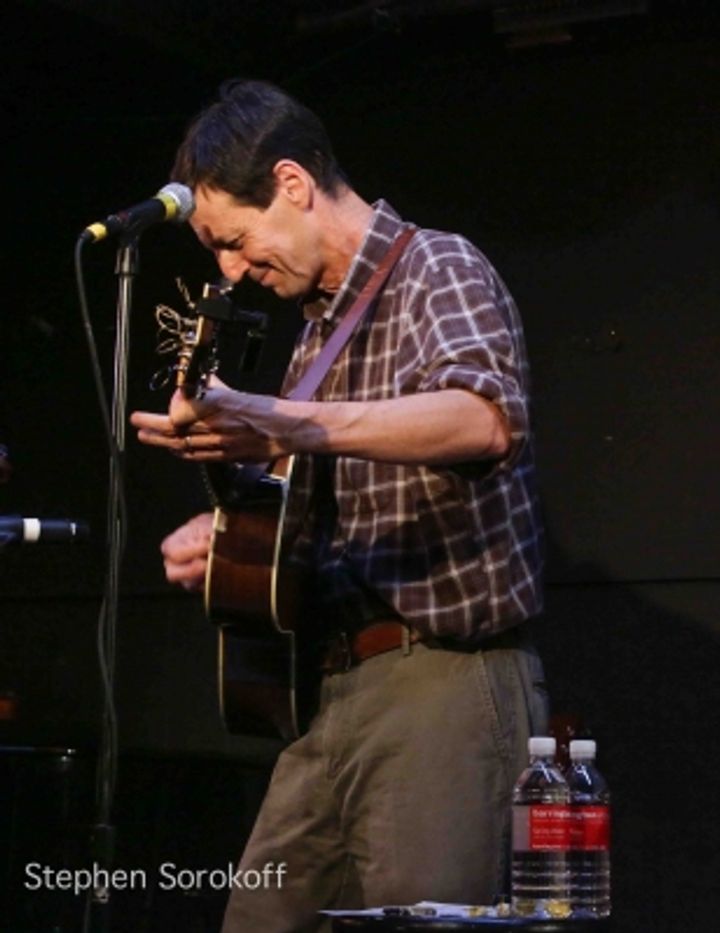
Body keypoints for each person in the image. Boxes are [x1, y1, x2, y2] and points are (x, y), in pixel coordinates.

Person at [130, 79, 548, 931]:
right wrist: (235, 535)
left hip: (439, 683)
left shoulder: (438, 266)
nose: (231, 269)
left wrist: (286, 420)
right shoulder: (319, 330)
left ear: (292, 184)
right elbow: (324, 494)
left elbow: (484, 418)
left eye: (234, 241)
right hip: (328, 696)